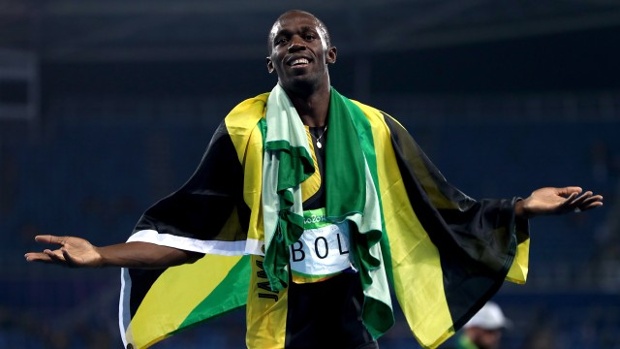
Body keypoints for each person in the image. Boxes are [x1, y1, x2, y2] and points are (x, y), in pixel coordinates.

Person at [25, 9, 604, 349]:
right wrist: (101, 256)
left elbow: (443, 208)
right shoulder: (245, 128)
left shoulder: (377, 129)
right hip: (280, 320)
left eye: (306, 36)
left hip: (352, 319)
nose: (295, 44)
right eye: (282, 41)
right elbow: (190, 234)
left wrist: (522, 209)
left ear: (330, 51)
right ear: (271, 63)